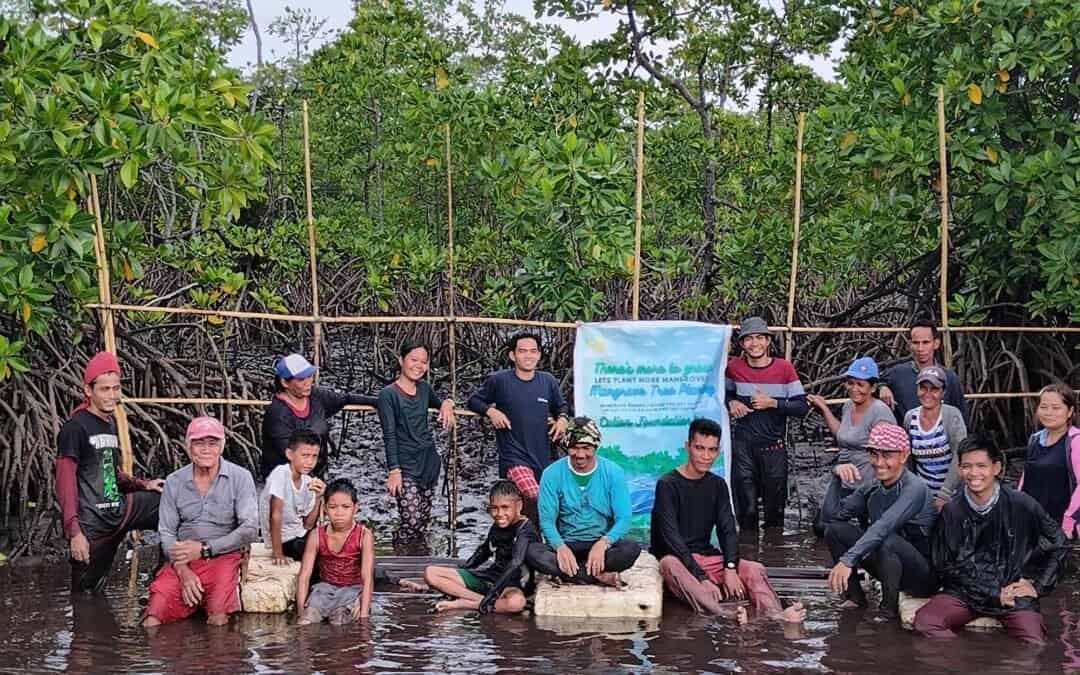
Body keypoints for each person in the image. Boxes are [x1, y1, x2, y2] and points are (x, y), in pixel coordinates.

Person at [914, 436, 1067, 644]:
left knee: (1034, 642)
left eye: (981, 466)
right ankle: (967, 662)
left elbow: (1059, 542)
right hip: (966, 592)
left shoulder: (1021, 503)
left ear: (996, 468)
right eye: (967, 466)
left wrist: (1038, 587)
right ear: (959, 470)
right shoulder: (952, 510)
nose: (974, 473)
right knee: (926, 622)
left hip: (1013, 591)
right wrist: (993, 593)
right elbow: (945, 564)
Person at [652, 418, 807, 624]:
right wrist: (701, 578)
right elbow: (672, 539)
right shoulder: (667, 484)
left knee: (753, 568)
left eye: (712, 450)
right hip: (679, 561)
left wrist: (731, 567)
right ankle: (724, 613)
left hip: (707, 558)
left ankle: (777, 615)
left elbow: (727, 529)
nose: (706, 456)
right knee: (669, 563)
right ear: (688, 446)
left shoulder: (717, 485)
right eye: (699, 448)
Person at [55, 351, 163, 593]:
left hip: (120, 511)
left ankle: (163, 582)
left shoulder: (109, 423)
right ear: (88, 390)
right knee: (86, 596)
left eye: (116, 388)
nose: (112, 395)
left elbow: (109, 472)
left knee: (167, 503)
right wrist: (74, 533)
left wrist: (142, 484)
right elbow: (65, 482)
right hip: (93, 527)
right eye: (104, 389)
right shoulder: (75, 428)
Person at [143, 417, 258, 627]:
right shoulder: (174, 482)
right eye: (199, 443)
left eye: (212, 443)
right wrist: (183, 570)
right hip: (182, 560)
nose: (206, 449)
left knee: (218, 619)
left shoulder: (241, 477)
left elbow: (250, 529)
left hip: (223, 556)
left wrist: (205, 549)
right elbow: (167, 533)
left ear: (221, 447)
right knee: (153, 619)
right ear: (189, 447)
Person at [824, 422, 938, 622]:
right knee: (834, 530)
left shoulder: (915, 488)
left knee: (887, 539)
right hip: (887, 566)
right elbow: (829, 519)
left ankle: (888, 611)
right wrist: (836, 477)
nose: (878, 462)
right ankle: (855, 597)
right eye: (874, 455)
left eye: (887, 456)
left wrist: (848, 560)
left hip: (922, 576)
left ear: (903, 456)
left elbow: (884, 526)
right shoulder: (873, 486)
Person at [527, 417, 641, 586]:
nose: (580, 455)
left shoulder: (613, 472)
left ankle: (571, 575)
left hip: (601, 546)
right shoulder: (551, 474)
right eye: (574, 448)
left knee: (630, 549)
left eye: (586, 448)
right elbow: (547, 521)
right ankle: (598, 576)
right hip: (567, 544)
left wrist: (604, 543)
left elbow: (624, 518)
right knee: (533, 552)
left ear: (595, 447)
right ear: (567, 447)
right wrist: (560, 547)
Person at [467, 332, 569, 521]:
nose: (528, 356)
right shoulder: (499, 381)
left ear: (539, 355)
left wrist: (562, 419)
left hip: (544, 457)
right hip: (514, 457)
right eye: (522, 351)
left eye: (533, 351)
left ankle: (532, 541)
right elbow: (473, 400)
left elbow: (561, 406)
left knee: (550, 504)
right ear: (512, 355)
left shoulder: (547, 381)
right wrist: (492, 412)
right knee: (535, 496)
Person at [724, 316, 809, 530]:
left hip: (774, 449)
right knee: (747, 511)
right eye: (749, 339)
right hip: (743, 448)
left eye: (760, 338)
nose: (755, 344)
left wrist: (773, 403)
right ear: (742, 344)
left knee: (775, 514)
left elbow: (801, 407)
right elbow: (720, 395)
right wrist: (731, 402)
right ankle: (746, 559)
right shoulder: (733, 368)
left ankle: (772, 559)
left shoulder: (784, 368)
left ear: (768, 341)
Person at [376, 340, 457, 555]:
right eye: (413, 360)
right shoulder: (388, 395)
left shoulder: (424, 388)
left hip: (429, 461)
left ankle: (417, 558)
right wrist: (394, 470)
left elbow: (441, 403)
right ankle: (400, 553)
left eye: (423, 362)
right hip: (405, 464)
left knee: (422, 519)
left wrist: (448, 403)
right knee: (410, 518)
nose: (418, 365)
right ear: (401, 360)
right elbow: (389, 435)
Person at [417, 480, 539, 614]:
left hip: (511, 585)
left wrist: (493, 592)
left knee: (516, 603)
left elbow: (516, 563)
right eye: (494, 508)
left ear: (518, 506)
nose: (499, 514)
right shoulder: (497, 526)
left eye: (505, 507)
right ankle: (481, 601)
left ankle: (466, 603)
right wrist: (463, 569)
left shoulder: (525, 529)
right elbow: (484, 551)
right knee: (430, 573)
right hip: (490, 578)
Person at [807, 356, 896, 532]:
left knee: (868, 528)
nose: (854, 389)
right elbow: (843, 435)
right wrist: (824, 409)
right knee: (822, 525)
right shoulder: (849, 406)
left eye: (860, 384)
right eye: (850, 383)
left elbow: (886, 455)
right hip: (844, 474)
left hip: (871, 480)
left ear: (873, 388)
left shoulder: (880, 413)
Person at [260, 353, 377, 480]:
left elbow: (346, 398)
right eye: (301, 380)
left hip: (317, 474)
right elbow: (294, 456)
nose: (308, 383)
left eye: (309, 376)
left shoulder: (316, 396)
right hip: (285, 481)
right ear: (284, 382)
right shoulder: (277, 414)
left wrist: (382, 401)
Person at [295, 479, 374, 625]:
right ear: (325, 509)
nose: (339, 513)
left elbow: (367, 577)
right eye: (333, 507)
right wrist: (300, 612)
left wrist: (364, 617)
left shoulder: (364, 535)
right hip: (323, 590)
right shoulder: (316, 535)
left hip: (352, 591)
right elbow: (304, 576)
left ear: (355, 508)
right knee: (305, 622)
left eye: (345, 507)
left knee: (339, 621)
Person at [1018, 383, 1080, 539]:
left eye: (1056, 407)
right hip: (1033, 523)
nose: (1048, 413)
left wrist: (1067, 523)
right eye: (1044, 407)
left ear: (1070, 411)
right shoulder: (1035, 439)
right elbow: (1026, 478)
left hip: (1061, 528)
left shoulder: (1075, 441)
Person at [902, 366, 968, 510]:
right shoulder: (910, 417)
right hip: (922, 494)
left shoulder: (952, 415)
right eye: (923, 388)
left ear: (943, 392)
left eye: (934, 389)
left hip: (952, 494)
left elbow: (961, 455)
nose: (928, 394)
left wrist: (944, 494)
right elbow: (908, 459)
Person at [878, 321, 968, 423]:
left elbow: (961, 415)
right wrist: (882, 386)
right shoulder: (897, 373)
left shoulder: (949, 377)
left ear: (936, 344)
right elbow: (871, 382)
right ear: (910, 345)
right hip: (906, 436)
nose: (920, 348)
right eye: (916, 343)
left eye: (926, 342)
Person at [260, 430, 325, 564]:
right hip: (285, 540)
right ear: (290, 454)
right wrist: (278, 554)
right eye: (305, 456)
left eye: (314, 456)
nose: (310, 462)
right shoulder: (280, 474)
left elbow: (308, 524)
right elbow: (275, 515)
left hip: (300, 535)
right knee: (314, 554)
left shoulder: (308, 481)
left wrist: (318, 497)